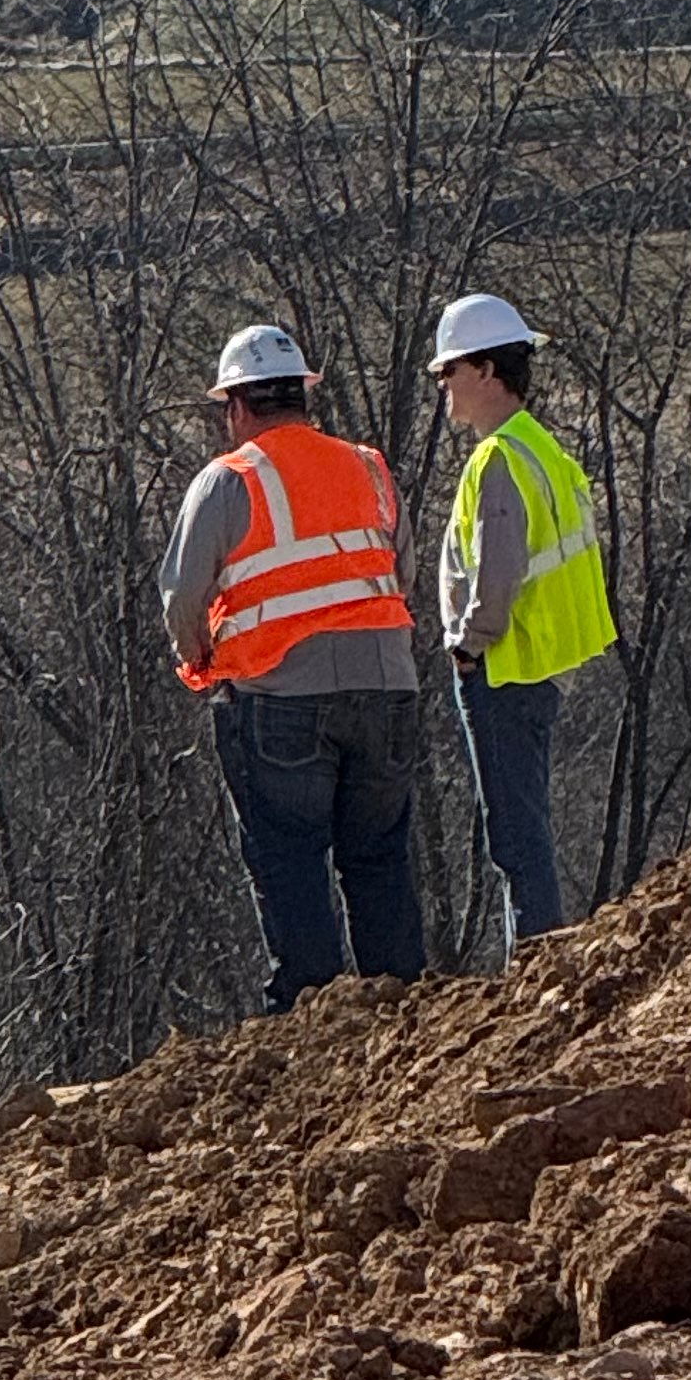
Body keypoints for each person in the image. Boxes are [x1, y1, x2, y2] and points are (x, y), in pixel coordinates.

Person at [160, 323, 425, 1011]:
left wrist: (201, 661)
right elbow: (404, 571)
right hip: (389, 688)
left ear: (237, 407)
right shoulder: (369, 467)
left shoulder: (228, 480)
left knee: (290, 860)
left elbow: (182, 597)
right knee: (380, 860)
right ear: (305, 396)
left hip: (280, 700)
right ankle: (407, 1014)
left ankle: (310, 1022)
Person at [430, 291, 618, 957]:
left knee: (515, 839)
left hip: (505, 667)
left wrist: (467, 646)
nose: (442, 384)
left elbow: (499, 576)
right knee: (524, 831)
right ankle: (543, 964)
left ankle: (537, 969)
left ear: (484, 369)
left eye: (448, 369)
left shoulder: (498, 460)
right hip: (539, 665)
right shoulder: (538, 447)